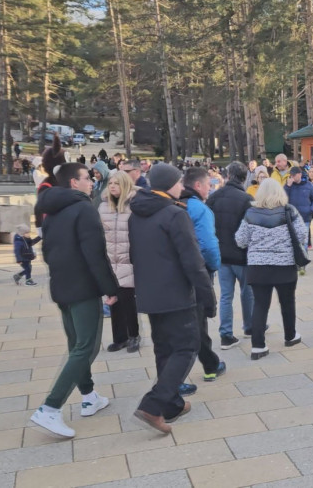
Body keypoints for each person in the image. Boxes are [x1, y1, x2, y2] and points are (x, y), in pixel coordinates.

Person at [30, 163, 118, 438]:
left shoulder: (52, 211)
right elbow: (95, 254)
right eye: (86, 178)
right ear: (73, 183)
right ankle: (50, 408)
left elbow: (49, 251)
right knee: (86, 348)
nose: (91, 182)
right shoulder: (83, 209)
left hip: (62, 288)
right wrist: (110, 287)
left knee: (76, 346)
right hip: (82, 289)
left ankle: (89, 396)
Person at [128, 163, 216, 433]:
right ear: (168, 185)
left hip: (151, 294)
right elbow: (193, 261)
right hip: (177, 295)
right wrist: (208, 297)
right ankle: (153, 405)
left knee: (164, 349)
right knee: (186, 348)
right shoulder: (174, 215)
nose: (182, 187)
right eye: (178, 182)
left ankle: (172, 404)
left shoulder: (137, 213)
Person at [235, 179, 307, 360]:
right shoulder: (289, 210)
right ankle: (290, 336)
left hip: (258, 267)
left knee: (260, 305)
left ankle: (258, 346)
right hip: (284, 265)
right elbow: (302, 234)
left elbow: (240, 240)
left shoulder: (250, 213)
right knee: (287, 302)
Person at [181, 167, 226, 391]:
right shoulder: (199, 208)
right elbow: (208, 245)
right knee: (198, 321)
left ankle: (210, 363)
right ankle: (209, 365)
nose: (211, 188)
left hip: (173, 274)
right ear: (198, 186)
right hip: (197, 270)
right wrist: (215, 266)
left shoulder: (171, 204)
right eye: (208, 184)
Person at [206, 161, 255, 348]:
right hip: (242, 255)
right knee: (247, 291)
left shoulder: (214, 197)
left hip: (221, 254)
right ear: (244, 179)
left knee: (226, 295)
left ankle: (226, 334)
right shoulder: (246, 199)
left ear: (227, 176)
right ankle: (249, 326)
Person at [98, 171, 141, 353]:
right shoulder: (102, 207)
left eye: (116, 183)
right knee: (113, 299)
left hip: (127, 259)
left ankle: (134, 335)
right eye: (110, 183)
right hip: (110, 260)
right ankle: (119, 337)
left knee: (127, 300)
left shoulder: (134, 205)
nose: (112, 186)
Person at [285, 166, 313, 243]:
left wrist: (311, 209)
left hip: (305, 217)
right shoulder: (288, 185)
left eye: (294, 175)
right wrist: (288, 187)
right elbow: (283, 199)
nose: (292, 177)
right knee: (292, 243)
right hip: (292, 218)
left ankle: (304, 255)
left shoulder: (309, 185)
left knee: (304, 243)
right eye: (291, 175)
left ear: (300, 174)